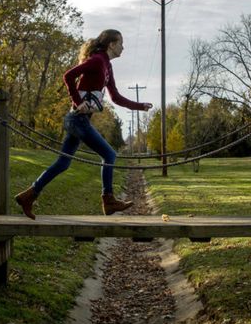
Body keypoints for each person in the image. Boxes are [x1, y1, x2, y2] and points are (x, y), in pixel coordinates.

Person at [14, 29, 152, 218]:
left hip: (78, 120)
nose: (123, 47)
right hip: (77, 119)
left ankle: (28, 195)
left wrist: (139, 106)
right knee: (109, 155)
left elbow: (116, 97)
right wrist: (78, 102)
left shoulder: (107, 67)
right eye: (121, 42)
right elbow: (68, 76)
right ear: (111, 44)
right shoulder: (96, 60)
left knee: (63, 163)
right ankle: (108, 200)